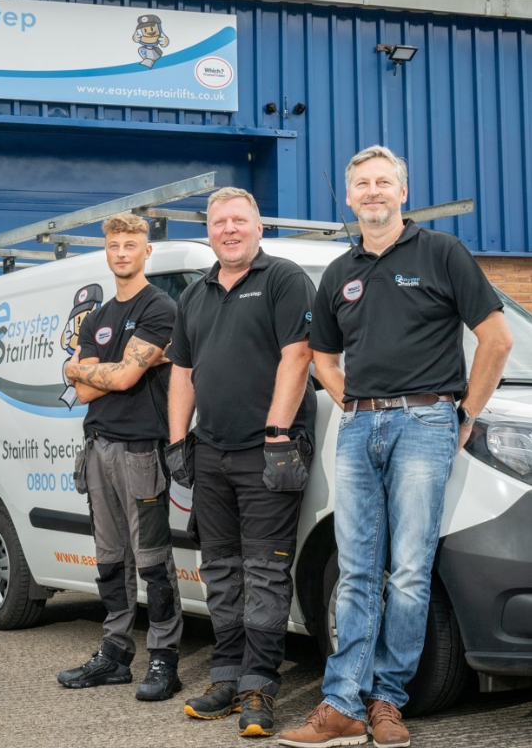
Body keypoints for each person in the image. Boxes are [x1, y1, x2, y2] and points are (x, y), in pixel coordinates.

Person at [279, 146, 512, 749]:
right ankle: (341, 705)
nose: (373, 192)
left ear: (403, 192)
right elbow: (322, 355)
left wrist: (465, 414)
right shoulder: (339, 271)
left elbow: (497, 338)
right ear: (349, 197)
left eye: (384, 182)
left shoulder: (442, 253)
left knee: (408, 571)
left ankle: (387, 701)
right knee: (357, 569)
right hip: (359, 429)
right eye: (363, 184)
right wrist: (349, 400)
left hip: (425, 423)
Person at [168, 188, 317, 735]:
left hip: (269, 451)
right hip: (211, 452)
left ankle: (259, 688)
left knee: (265, 572)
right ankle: (227, 677)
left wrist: (277, 434)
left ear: (258, 227)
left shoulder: (283, 279)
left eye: (238, 220)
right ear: (209, 231)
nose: (228, 229)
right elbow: (182, 372)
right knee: (221, 571)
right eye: (219, 222)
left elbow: (298, 354)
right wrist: (177, 441)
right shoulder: (195, 294)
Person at [56, 213, 184, 702]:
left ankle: (164, 659)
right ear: (105, 251)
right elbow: (86, 392)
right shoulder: (96, 317)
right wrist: (95, 373)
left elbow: (122, 378)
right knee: (110, 560)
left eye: (131, 244)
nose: (122, 253)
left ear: (146, 251)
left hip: (141, 452)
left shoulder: (160, 307)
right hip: (98, 449)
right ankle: (114, 653)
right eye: (114, 245)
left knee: (152, 560)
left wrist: (81, 369)